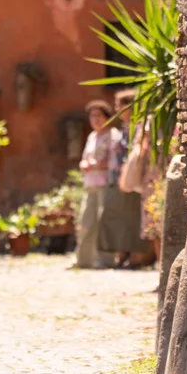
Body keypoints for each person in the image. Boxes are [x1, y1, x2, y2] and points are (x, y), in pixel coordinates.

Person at [98, 88, 146, 268]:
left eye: (119, 105)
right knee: (121, 216)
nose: (116, 108)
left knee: (131, 217)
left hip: (128, 180)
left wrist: (125, 177)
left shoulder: (136, 127)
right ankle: (124, 252)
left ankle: (136, 256)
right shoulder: (126, 128)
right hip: (119, 179)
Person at [75, 99, 121, 269]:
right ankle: (83, 260)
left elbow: (116, 161)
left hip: (106, 184)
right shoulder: (92, 136)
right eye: (92, 116)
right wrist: (84, 165)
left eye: (98, 116)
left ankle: (106, 260)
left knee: (104, 222)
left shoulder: (113, 135)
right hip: (90, 184)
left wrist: (98, 165)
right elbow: (84, 159)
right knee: (86, 221)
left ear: (107, 117)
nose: (95, 119)